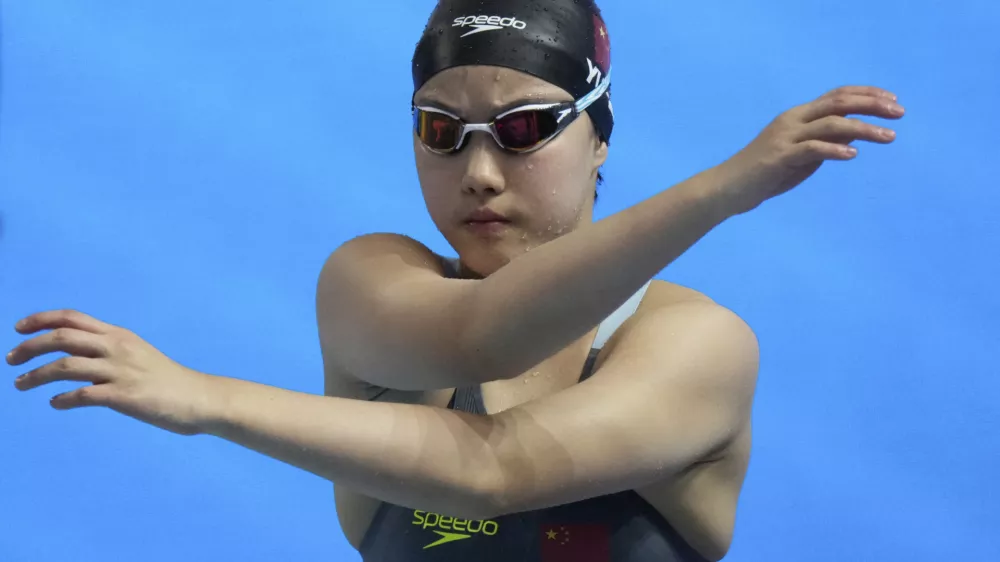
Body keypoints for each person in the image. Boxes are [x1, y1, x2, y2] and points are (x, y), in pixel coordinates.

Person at [7, 0, 904, 560]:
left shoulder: (696, 343)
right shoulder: (371, 279)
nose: (478, 173)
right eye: (441, 132)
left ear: (600, 141)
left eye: (523, 130)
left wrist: (208, 399)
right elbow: (478, 335)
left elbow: (495, 469)